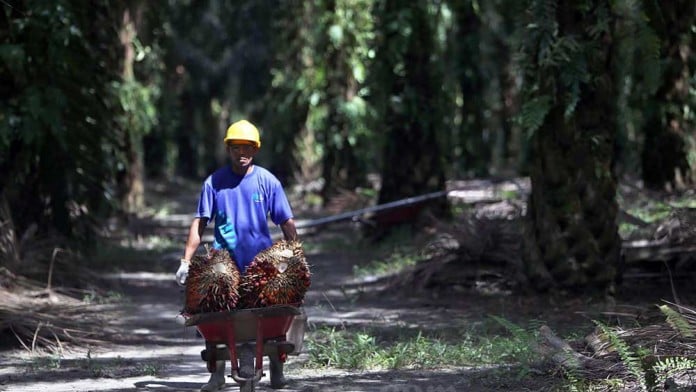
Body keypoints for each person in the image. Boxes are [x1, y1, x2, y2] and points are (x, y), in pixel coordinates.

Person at [175, 119, 298, 392]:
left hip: (261, 264)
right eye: (236, 148)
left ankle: (276, 364)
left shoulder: (268, 182)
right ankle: (217, 372)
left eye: (248, 148)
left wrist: (294, 256)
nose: (242, 153)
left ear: (255, 149)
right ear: (228, 149)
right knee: (210, 310)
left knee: (274, 314)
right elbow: (199, 223)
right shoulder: (214, 184)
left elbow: (286, 222)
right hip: (223, 264)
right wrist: (186, 261)